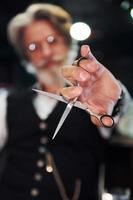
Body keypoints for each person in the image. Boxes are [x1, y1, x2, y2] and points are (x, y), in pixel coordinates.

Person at [0, 3, 131, 200]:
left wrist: (118, 97)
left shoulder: (95, 101)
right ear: (26, 58)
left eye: (52, 40)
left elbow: (128, 124)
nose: (46, 53)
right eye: (33, 46)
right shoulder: (7, 104)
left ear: (69, 42)